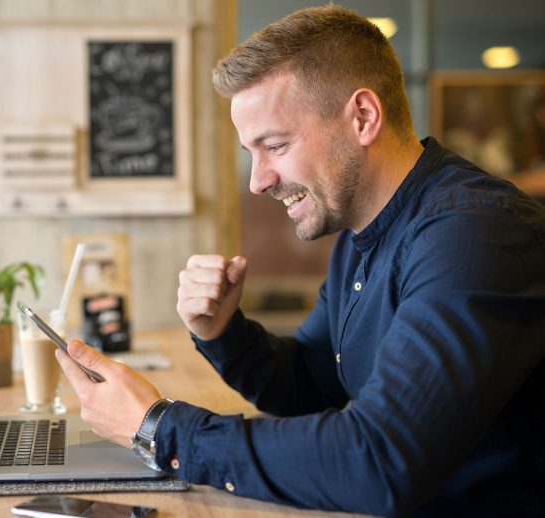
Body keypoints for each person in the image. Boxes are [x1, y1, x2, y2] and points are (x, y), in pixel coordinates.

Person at [54, 5, 545, 516]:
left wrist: (158, 427)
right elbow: (314, 384)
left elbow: (378, 460)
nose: (258, 180)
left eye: (275, 145)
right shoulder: (362, 232)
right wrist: (225, 333)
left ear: (363, 117)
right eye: (252, 151)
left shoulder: (475, 235)